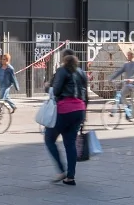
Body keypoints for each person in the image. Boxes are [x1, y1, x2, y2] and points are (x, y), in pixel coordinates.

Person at [43, 48, 88, 187]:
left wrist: (47, 87)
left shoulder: (62, 70)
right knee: (70, 142)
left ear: (64, 58)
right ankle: (70, 177)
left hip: (65, 110)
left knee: (49, 138)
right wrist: (84, 116)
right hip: (79, 110)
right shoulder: (82, 72)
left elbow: (55, 90)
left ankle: (62, 170)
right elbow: (86, 96)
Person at [109, 50, 134, 120]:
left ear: (133, 56)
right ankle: (128, 106)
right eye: (127, 55)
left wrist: (132, 79)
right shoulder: (126, 64)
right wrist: (111, 78)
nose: (128, 57)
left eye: (129, 55)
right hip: (128, 84)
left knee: (133, 100)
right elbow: (119, 72)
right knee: (121, 95)